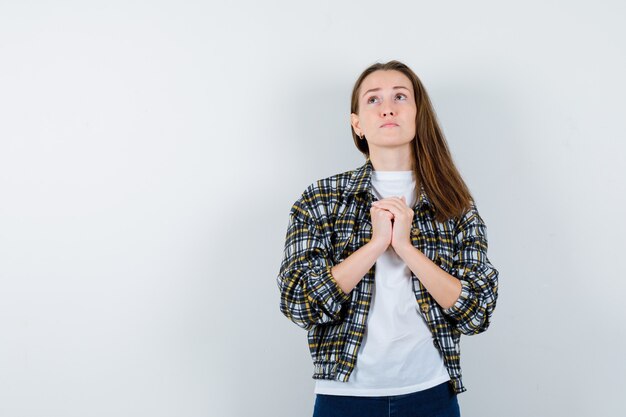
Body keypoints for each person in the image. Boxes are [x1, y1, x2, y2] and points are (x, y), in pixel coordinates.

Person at [276, 60, 499, 417]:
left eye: (400, 96)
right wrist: (376, 245)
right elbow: (299, 303)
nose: (388, 107)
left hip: (431, 395)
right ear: (357, 124)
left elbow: (477, 311)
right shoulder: (321, 199)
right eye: (373, 100)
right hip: (344, 398)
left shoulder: (454, 203)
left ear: (417, 114)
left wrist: (406, 248)